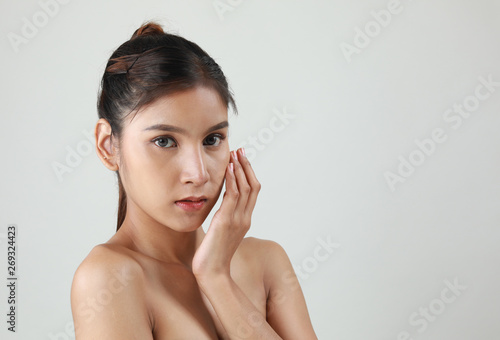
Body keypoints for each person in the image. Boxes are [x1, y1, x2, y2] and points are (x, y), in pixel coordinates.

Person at [70, 21, 317, 340]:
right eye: (164, 141)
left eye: (213, 139)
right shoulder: (109, 278)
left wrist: (216, 278)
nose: (198, 174)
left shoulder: (267, 262)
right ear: (109, 146)